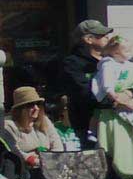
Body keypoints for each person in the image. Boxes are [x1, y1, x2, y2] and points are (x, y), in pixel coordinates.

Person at [44, 19, 110, 149]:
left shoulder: (111, 61)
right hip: (88, 127)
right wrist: (116, 102)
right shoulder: (72, 64)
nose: (107, 37)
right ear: (89, 39)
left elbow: (130, 82)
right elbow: (84, 93)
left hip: (116, 123)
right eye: (102, 35)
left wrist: (130, 95)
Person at [6, 88, 62, 155]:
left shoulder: (45, 120)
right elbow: (13, 150)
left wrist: (52, 159)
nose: (36, 108)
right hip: (24, 164)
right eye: (31, 105)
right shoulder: (9, 125)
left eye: (38, 104)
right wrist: (31, 159)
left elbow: (57, 144)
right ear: (20, 109)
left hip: (48, 162)